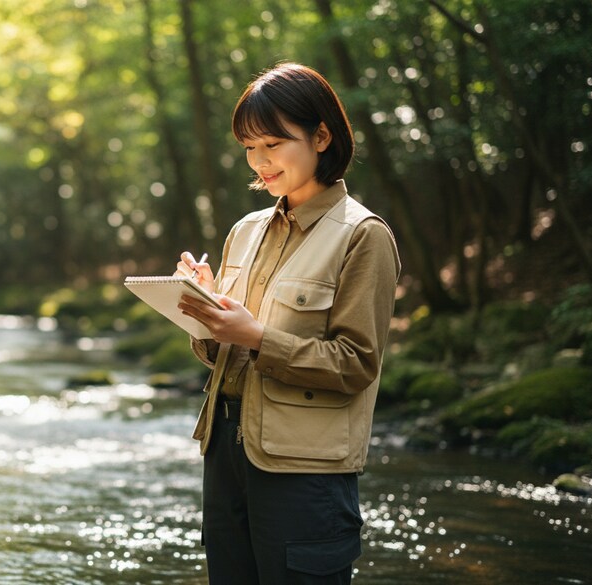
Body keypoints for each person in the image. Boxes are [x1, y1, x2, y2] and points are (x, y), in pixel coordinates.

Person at [174, 62, 401, 584]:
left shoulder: (363, 235)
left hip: (304, 469)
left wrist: (255, 336)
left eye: (273, 144)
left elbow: (356, 363)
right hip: (225, 453)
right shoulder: (246, 231)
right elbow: (222, 354)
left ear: (322, 136)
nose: (260, 161)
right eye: (250, 148)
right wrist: (204, 312)